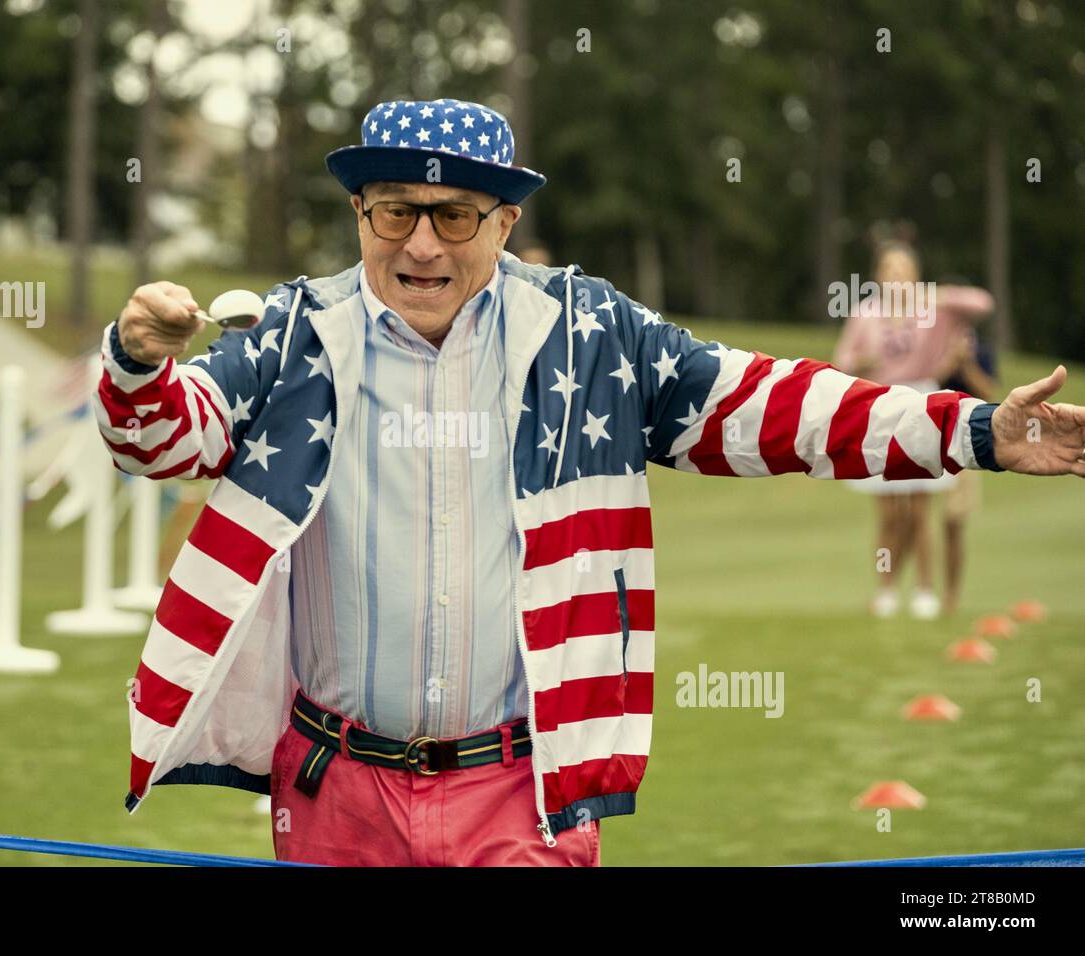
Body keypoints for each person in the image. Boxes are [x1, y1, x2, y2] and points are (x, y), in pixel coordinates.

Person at [97, 97, 1085, 867]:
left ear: (506, 217)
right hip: (333, 787)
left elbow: (773, 405)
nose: (422, 243)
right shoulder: (294, 332)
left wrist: (979, 430)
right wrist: (137, 362)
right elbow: (161, 443)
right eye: (394, 210)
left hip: (520, 788)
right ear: (360, 209)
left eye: (454, 214)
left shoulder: (589, 331)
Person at [831, 241, 961, 620]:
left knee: (920, 509)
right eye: (889, 269)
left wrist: (936, 298)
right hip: (880, 409)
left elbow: (975, 308)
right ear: (878, 275)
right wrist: (863, 361)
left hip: (923, 406)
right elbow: (843, 359)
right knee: (889, 513)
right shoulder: (866, 313)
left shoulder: (929, 312)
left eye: (903, 269)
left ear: (916, 277)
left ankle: (924, 589)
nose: (896, 277)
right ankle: (886, 589)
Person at [932, 283, 1000, 612]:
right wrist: (948, 362)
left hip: (963, 446)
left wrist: (967, 364)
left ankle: (951, 597)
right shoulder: (929, 347)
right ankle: (921, 592)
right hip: (928, 439)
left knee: (952, 522)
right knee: (913, 518)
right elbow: (927, 384)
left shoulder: (982, 351)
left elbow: (991, 395)